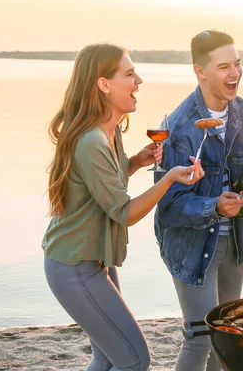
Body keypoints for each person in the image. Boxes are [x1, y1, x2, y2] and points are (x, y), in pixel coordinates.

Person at [42, 43, 204, 371]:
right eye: (129, 74)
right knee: (134, 360)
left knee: (106, 358)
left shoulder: (109, 131)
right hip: (74, 265)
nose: (138, 80)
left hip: (94, 260)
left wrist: (135, 162)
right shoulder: (91, 141)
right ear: (104, 84)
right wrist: (169, 179)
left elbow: (104, 188)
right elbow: (123, 213)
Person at [154, 30, 243, 371]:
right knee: (201, 335)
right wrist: (214, 207)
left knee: (226, 335)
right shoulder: (178, 127)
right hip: (189, 246)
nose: (234, 74)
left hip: (233, 244)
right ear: (199, 71)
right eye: (223, 67)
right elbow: (170, 205)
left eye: (237, 64)